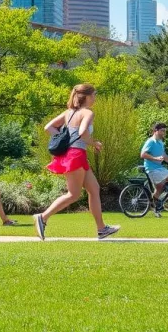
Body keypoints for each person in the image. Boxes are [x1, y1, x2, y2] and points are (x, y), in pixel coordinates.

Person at [34, 84, 120, 240]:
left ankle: (101, 229)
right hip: (76, 155)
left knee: (94, 189)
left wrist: (63, 138)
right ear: (86, 96)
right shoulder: (87, 112)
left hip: (72, 153)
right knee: (73, 194)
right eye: (94, 95)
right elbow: (82, 133)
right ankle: (43, 217)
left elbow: (48, 127)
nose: (95, 98)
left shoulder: (69, 113)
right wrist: (94, 143)